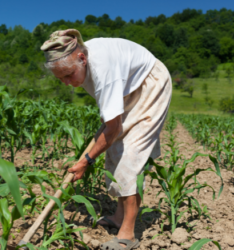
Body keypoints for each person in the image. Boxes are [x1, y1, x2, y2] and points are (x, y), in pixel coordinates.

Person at [41, 29, 172, 250]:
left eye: (68, 75)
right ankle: (120, 217)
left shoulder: (102, 70)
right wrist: (89, 154)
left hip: (150, 83)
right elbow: (111, 127)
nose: (66, 82)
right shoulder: (83, 64)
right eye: (60, 78)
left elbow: (112, 129)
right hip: (128, 87)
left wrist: (85, 162)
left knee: (131, 156)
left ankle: (128, 234)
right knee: (115, 151)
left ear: (82, 58)